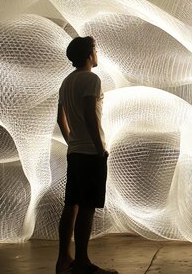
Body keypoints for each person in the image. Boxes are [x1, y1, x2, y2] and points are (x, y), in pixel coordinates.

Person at [55, 36, 117, 274]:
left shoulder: (66, 82)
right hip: (90, 152)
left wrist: (72, 140)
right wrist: (98, 148)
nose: (97, 54)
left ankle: (64, 259)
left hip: (75, 152)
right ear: (89, 55)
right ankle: (82, 262)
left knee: (71, 204)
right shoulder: (91, 79)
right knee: (88, 206)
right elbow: (90, 114)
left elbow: (60, 119)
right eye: (96, 50)